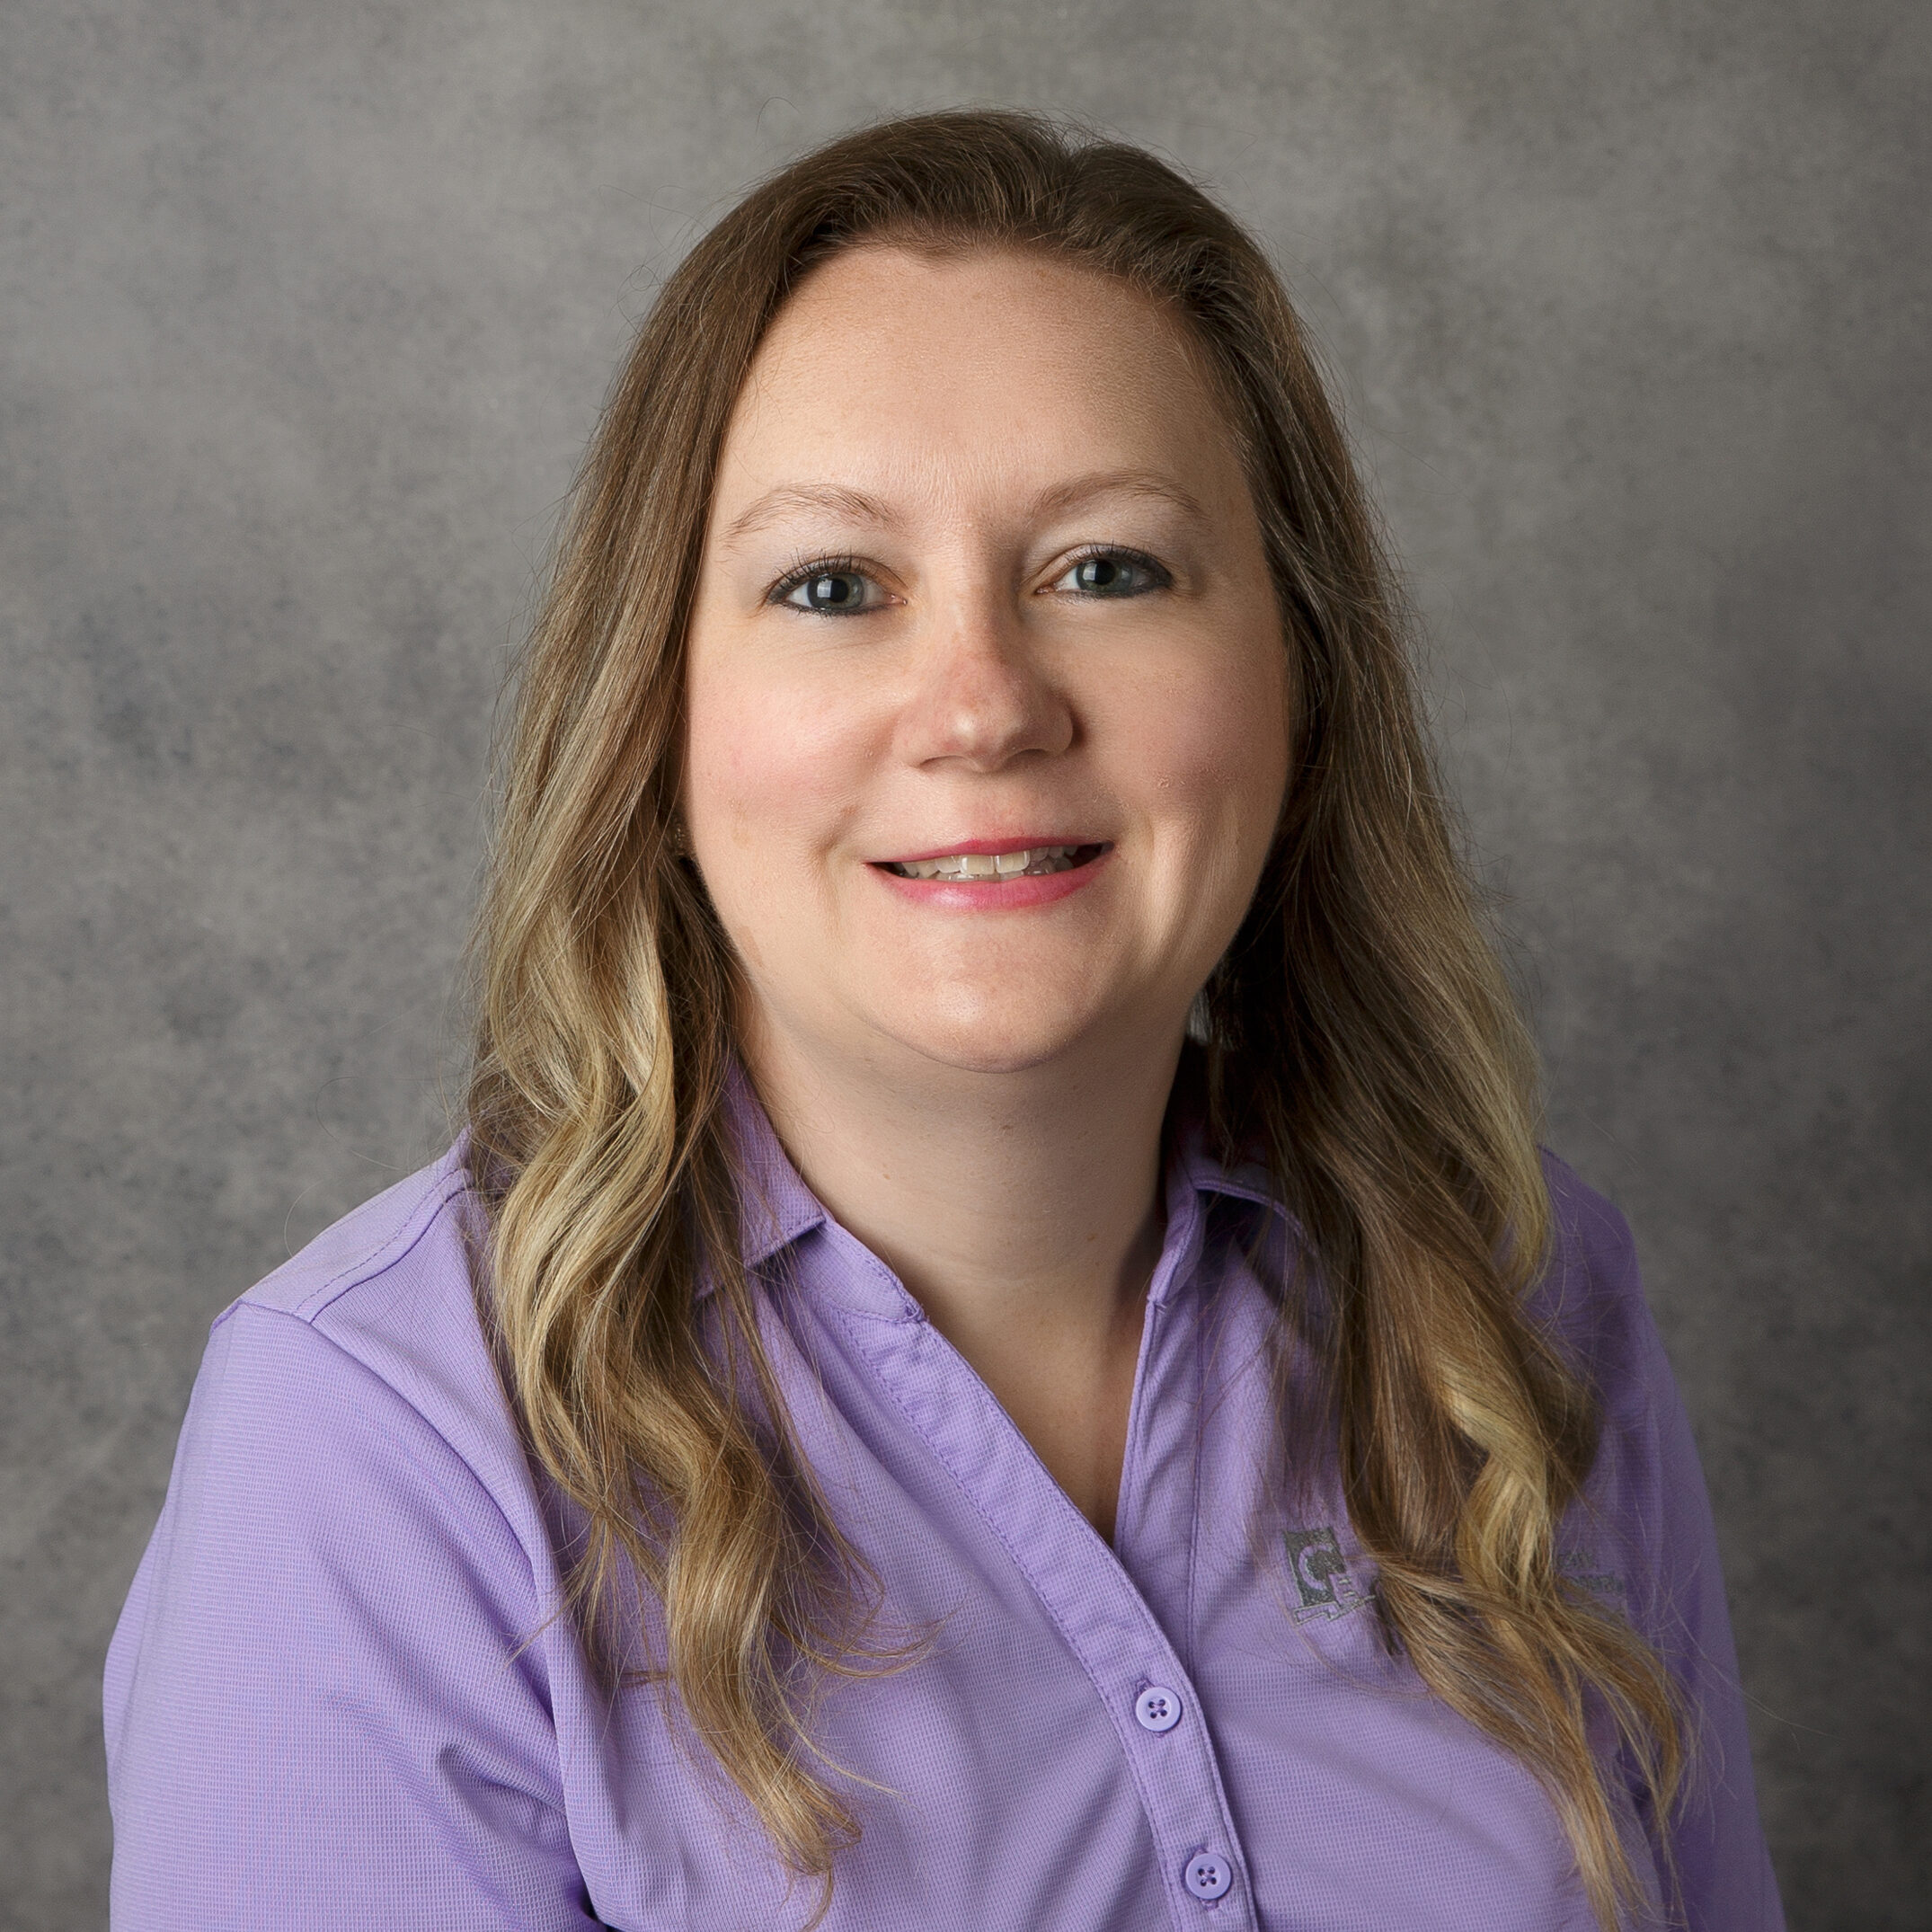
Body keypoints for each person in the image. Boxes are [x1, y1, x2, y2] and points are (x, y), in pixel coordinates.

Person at [103, 111, 1783, 1931]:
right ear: (658, 727)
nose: (980, 704)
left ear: (1296, 678)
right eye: (832, 587)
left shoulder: (1520, 1307)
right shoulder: (382, 1448)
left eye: (1108, 568)